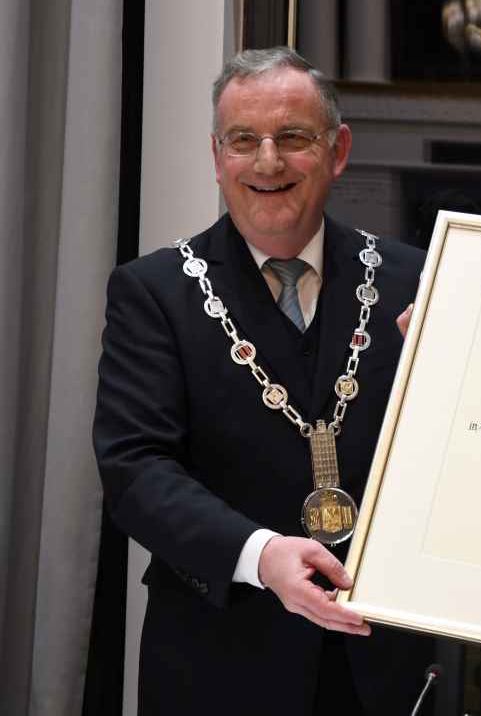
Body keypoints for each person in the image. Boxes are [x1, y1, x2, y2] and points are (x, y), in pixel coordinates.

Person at [93, 48, 431, 715]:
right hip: (218, 667)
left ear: (337, 152)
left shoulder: (415, 282)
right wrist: (260, 553)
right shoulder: (154, 291)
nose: (268, 162)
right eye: (244, 141)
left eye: (294, 138)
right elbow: (136, 472)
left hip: (380, 672)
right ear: (218, 158)